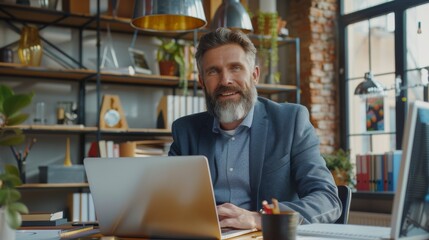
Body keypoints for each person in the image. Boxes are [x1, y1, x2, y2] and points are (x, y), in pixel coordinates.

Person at [168, 27, 341, 230]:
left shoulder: (291, 121)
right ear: (202, 82)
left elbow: (327, 199)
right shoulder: (185, 130)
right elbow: (167, 200)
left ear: (255, 75)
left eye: (235, 68)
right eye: (213, 71)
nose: (225, 80)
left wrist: (261, 220)